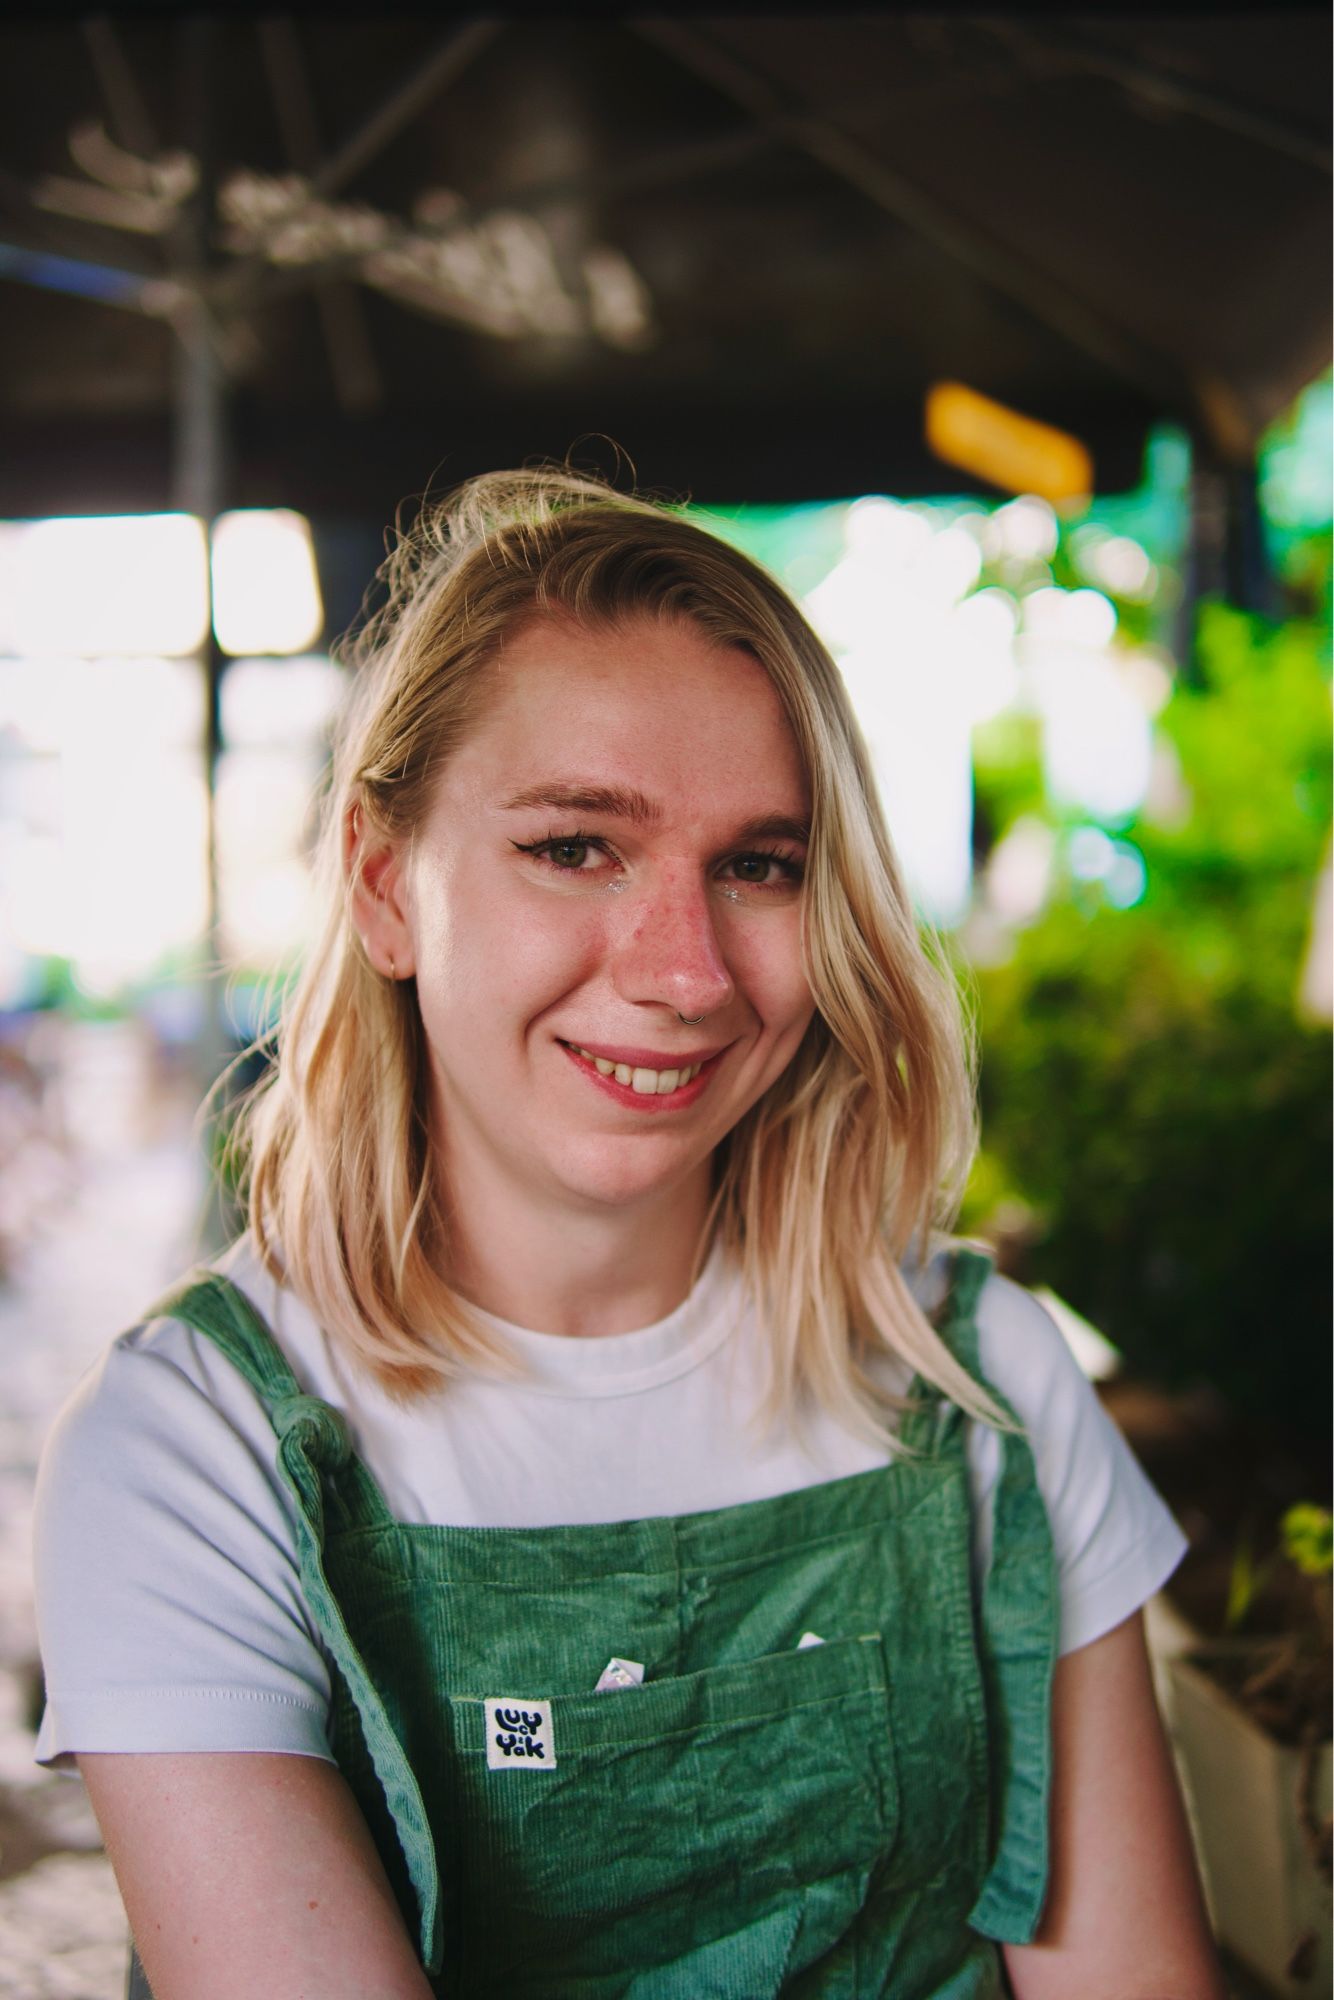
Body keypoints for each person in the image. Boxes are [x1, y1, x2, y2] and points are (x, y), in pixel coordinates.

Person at [33, 469, 1225, 1999]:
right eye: (576, 846)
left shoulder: (977, 1375)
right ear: (386, 888)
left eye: (759, 865)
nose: (684, 973)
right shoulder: (192, 1449)